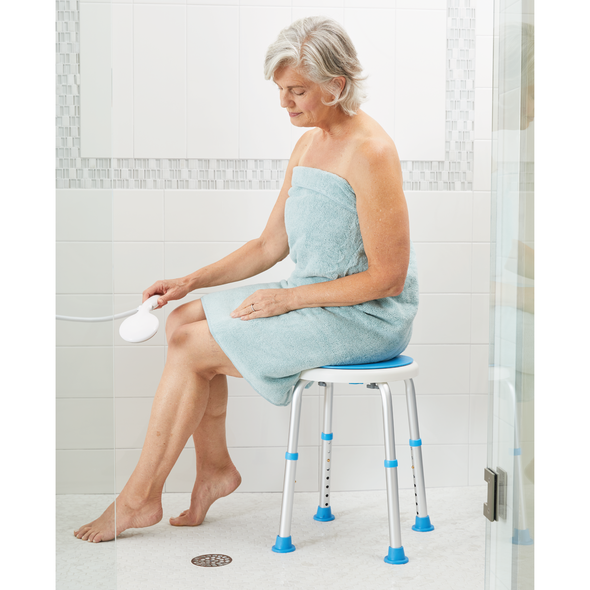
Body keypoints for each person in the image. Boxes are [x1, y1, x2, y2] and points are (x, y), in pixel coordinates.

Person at [74, 15, 418, 543]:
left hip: (366, 315)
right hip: (316, 299)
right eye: (281, 91)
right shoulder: (309, 144)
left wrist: (287, 300)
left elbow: (389, 280)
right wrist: (189, 282)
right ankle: (214, 472)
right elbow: (268, 246)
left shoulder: (371, 151)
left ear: (337, 85)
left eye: (297, 91)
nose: (286, 104)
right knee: (185, 318)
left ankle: (140, 498)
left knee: (190, 343)